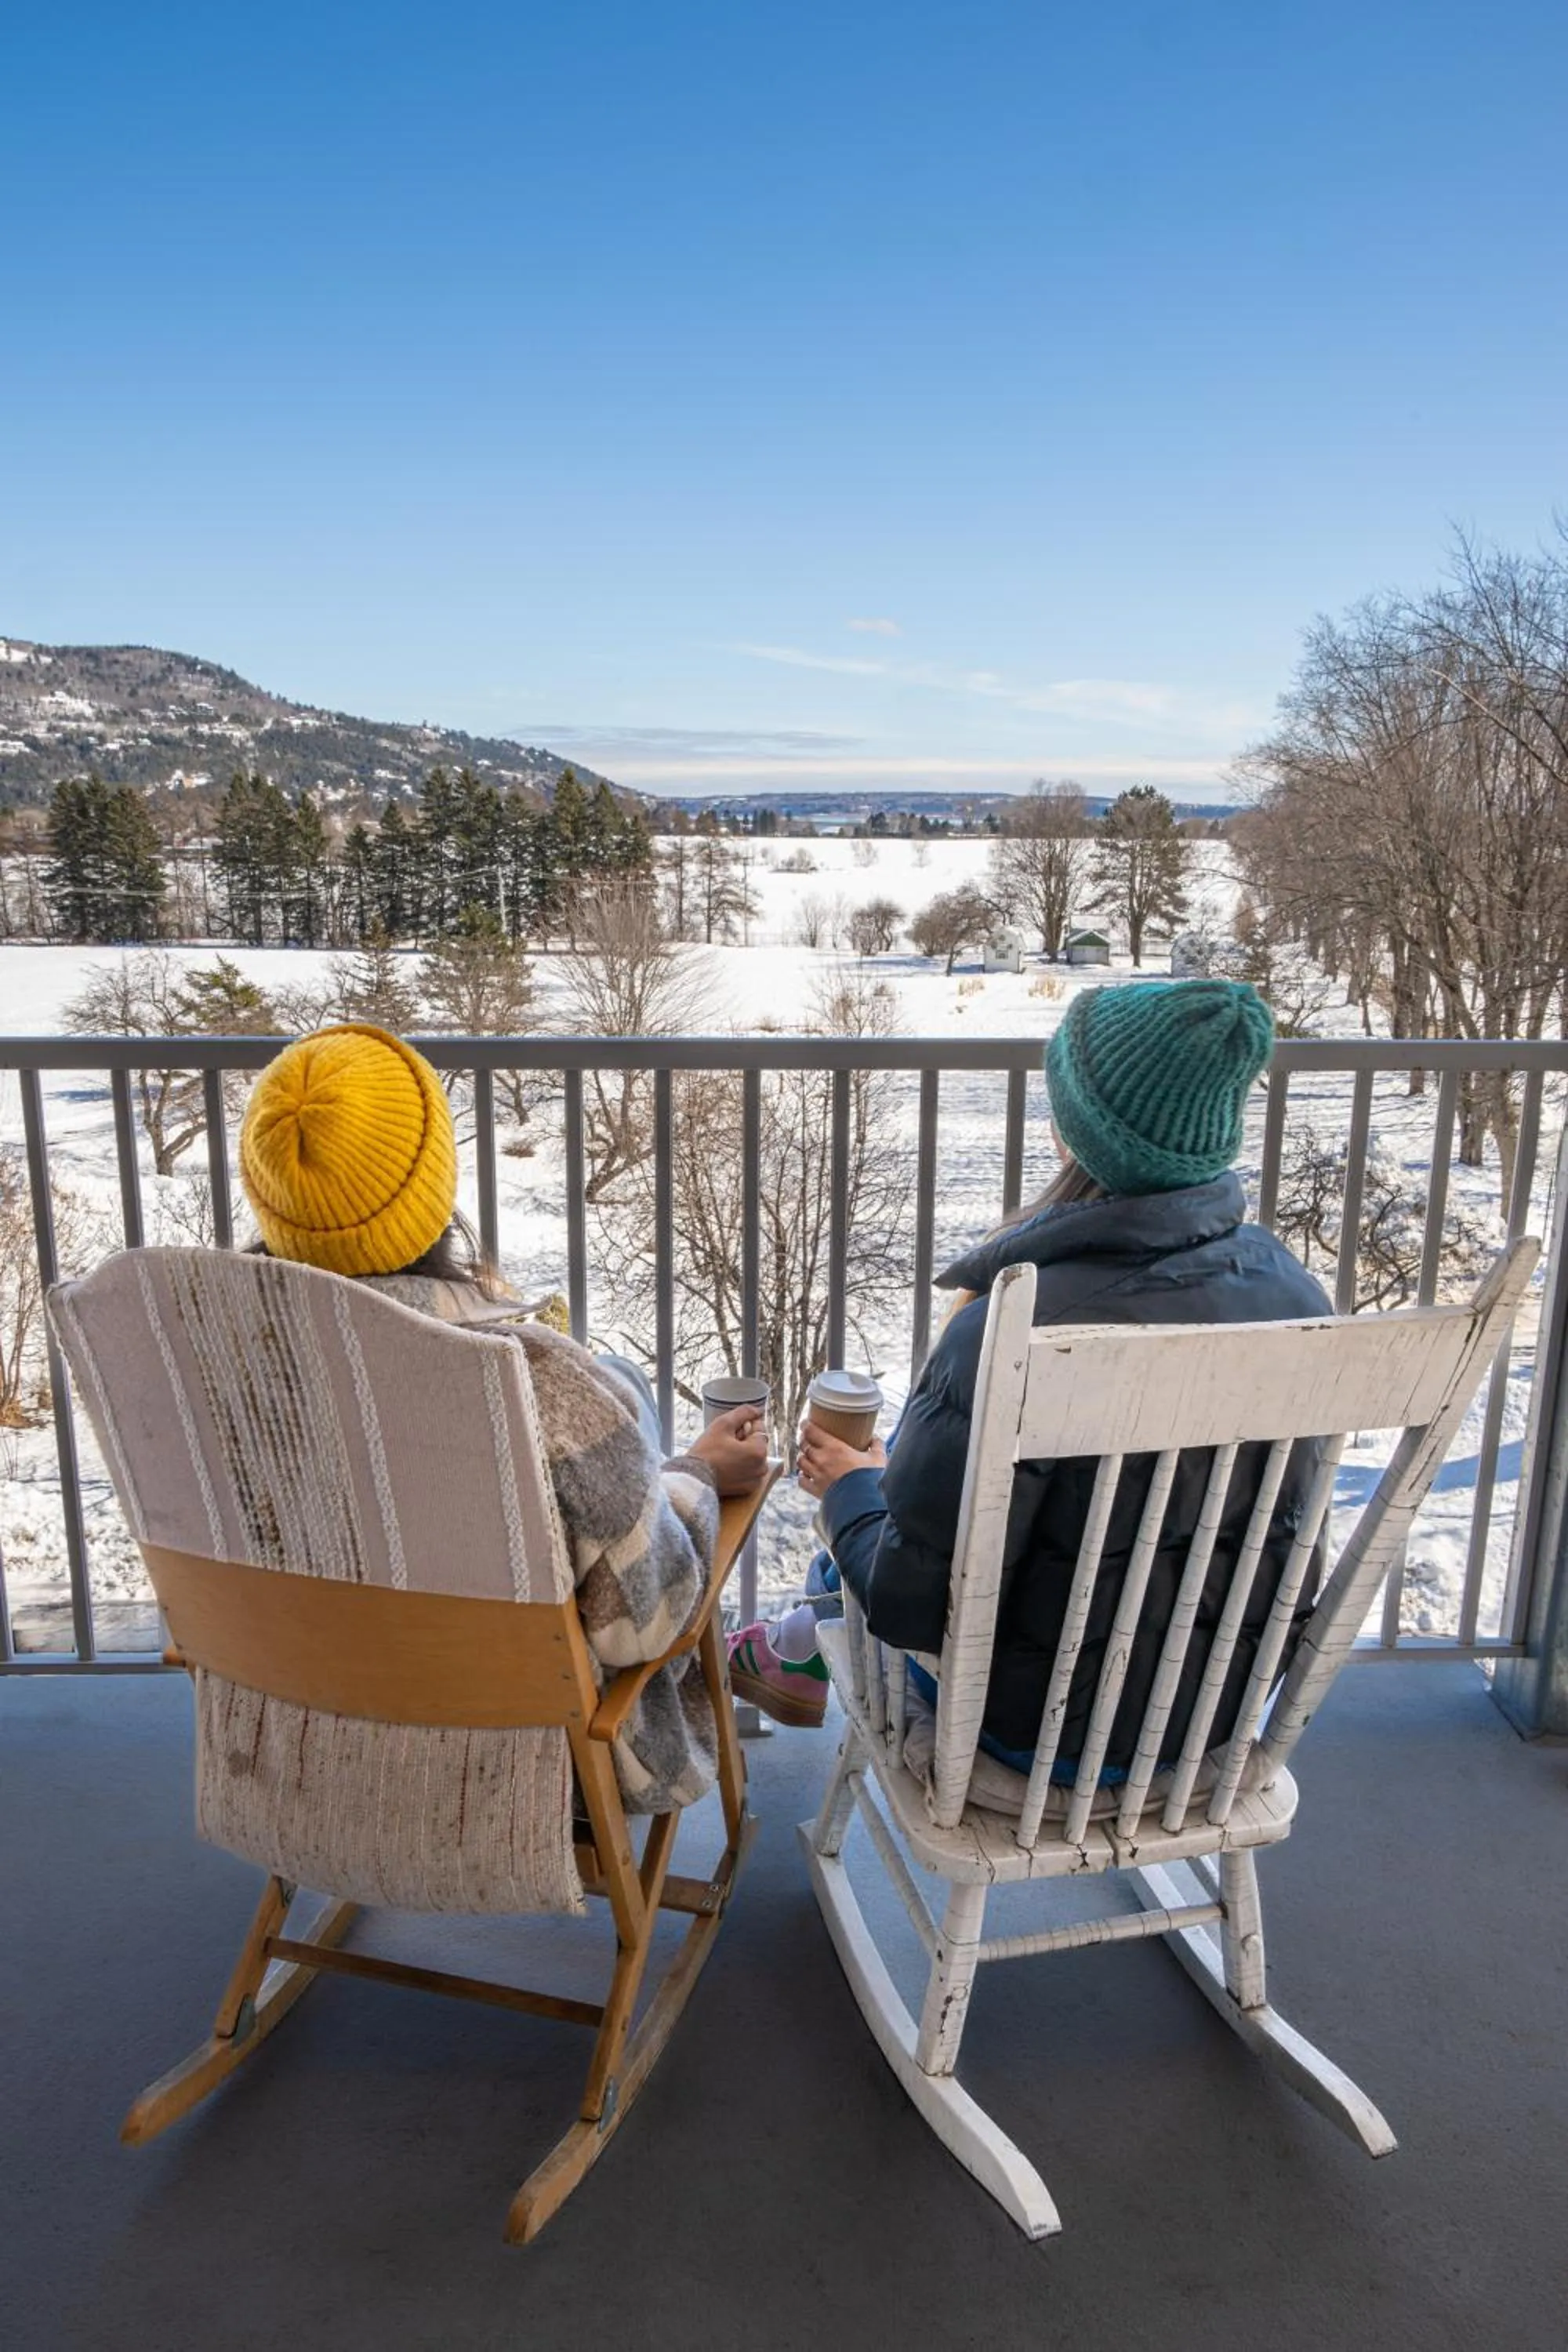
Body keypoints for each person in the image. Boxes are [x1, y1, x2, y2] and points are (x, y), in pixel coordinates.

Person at [728, 978, 1331, 1792]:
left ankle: (792, 1642)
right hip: (1215, 1714)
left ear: (1075, 1133)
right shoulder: (1295, 1299)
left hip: (1034, 1731)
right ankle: (795, 1643)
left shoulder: (1012, 1327)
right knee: (894, 1508)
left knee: (855, 1545)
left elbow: (910, 1603)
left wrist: (844, 1492)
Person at [238, 1020, 768, 1813]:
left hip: (317, 1746)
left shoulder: (225, 1361)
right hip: (529, 1769)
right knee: (617, 1403)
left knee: (614, 1388)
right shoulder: (533, 1378)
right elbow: (644, 1626)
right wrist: (691, 1475)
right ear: (430, 1188)